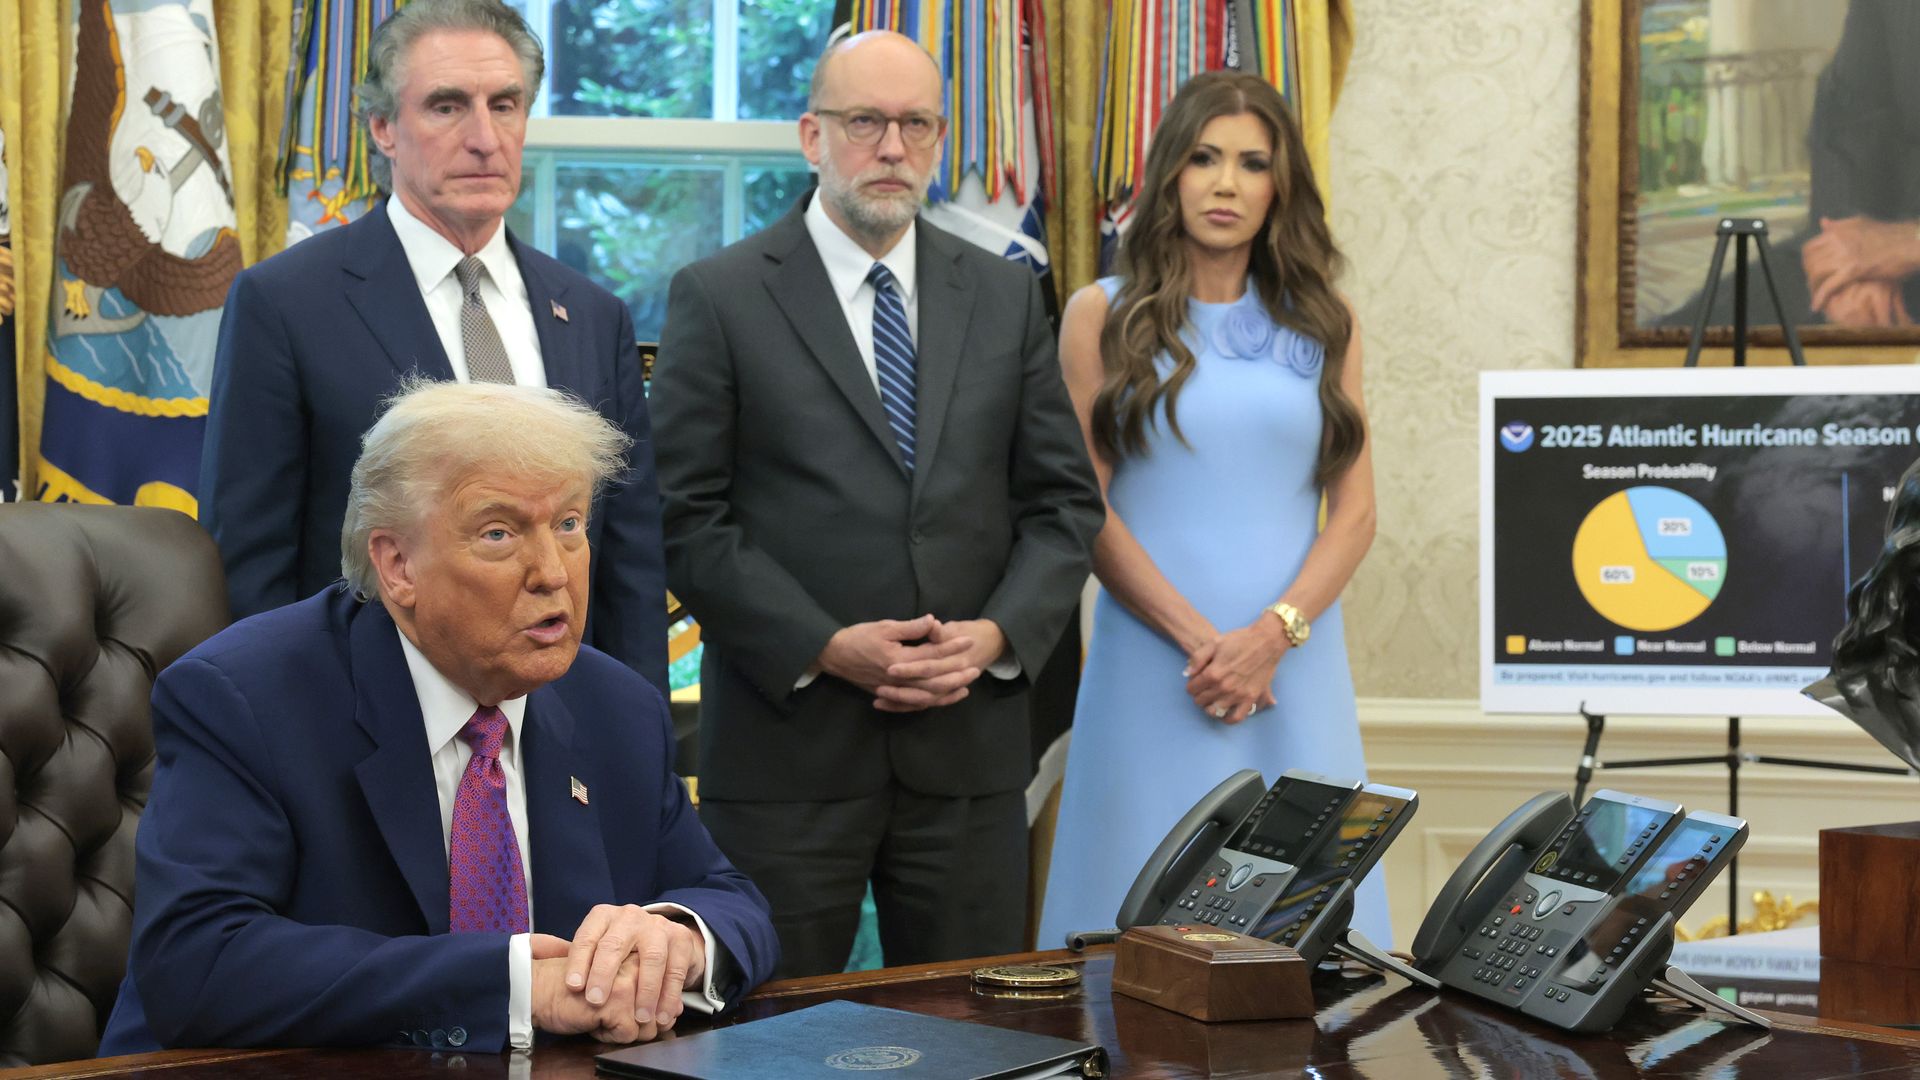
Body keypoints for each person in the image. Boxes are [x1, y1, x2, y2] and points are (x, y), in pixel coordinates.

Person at [97, 380, 778, 1054]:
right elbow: (198, 965)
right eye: (499, 532)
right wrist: (512, 985)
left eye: (569, 524)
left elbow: (731, 899)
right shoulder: (244, 698)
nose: (553, 572)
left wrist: (679, 939)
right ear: (397, 566)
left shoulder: (615, 707)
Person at [649, 31, 1103, 979]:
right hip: (787, 758)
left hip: (968, 752)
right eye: (866, 123)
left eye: (916, 125)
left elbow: (1062, 505)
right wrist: (823, 645)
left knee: (974, 1038)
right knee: (770, 1038)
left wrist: (994, 639)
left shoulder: (1005, 296)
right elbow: (683, 514)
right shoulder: (720, 296)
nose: (892, 147)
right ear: (812, 135)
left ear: (939, 141)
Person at [197, 0, 667, 694]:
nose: (484, 137)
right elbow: (249, 561)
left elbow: (629, 563)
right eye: (447, 106)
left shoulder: (594, 315)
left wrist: (637, 743)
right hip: (360, 728)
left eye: (505, 105)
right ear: (383, 128)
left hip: (561, 738)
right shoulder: (287, 303)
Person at [1035, 70, 1387, 946]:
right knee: (1130, 929)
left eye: (1251, 162)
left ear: (1280, 187)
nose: (1225, 183)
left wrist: (1270, 638)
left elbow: (1355, 514)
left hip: (1293, 669)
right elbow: (1086, 506)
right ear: (1170, 177)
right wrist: (1206, 647)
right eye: (1203, 158)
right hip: (1155, 671)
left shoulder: (1327, 321)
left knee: (1305, 937)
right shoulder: (1099, 315)